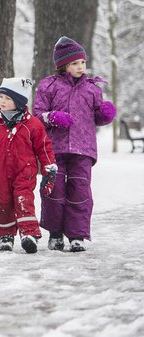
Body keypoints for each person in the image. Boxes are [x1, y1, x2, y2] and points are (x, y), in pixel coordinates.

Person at [33, 36, 117, 253]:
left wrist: (105, 114)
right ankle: (55, 234)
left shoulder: (92, 89)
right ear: (63, 65)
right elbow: (37, 115)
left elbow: (96, 117)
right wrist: (52, 117)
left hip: (83, 149)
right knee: (54, 191)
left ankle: (77, 235)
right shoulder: (49, 86)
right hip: (54, 149)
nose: (80, 67)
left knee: (80, 192)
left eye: (82, 62)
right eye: (74, 63)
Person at [0, 78, 57, 253]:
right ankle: (5, 236)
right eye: (1, 97)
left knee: (24, 200)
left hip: (25, 172)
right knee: (2, 203)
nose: (2, 102)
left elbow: (44, 149)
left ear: (20, 101)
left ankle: (29, 234)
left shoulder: (33, 125)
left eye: (8, 98)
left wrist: (49, 170)